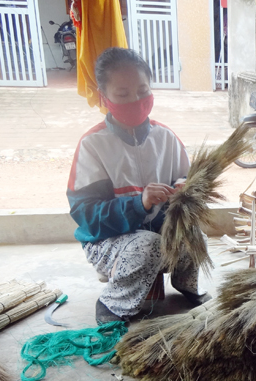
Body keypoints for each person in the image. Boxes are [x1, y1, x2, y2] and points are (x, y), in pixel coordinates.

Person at [67, 47, 211, 325]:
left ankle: (187, 285)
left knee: (195, 234)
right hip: (107, 242)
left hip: (156, 236)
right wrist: (138, 204)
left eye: (142, 91)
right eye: (122, 94)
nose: (136, 100)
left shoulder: (167, 139)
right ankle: (114, 303)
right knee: (147, 246)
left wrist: (185, 191)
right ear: (103, 97)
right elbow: (87, 217)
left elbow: (191, 186)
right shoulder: (92, 145)